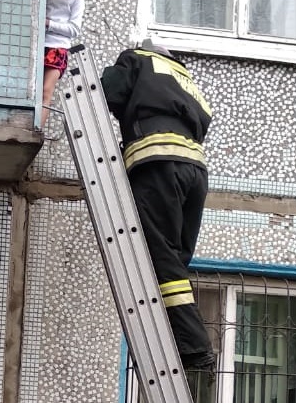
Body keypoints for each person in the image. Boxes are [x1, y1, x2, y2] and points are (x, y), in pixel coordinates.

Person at [100, 40, 216, 375]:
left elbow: (108, 92)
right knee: (175, 259)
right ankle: (178, 336)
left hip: (157, 162)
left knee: (160, 256)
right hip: (195, 171)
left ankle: (193, 346)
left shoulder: (137, 59)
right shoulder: (182, 75)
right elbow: (204, 119)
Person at [41, 0, 85, 128]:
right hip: (39, 44)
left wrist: (49, 24)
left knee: (46, 91)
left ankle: (36, 128)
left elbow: (74, 29)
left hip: (58, 48)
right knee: (32, 90)